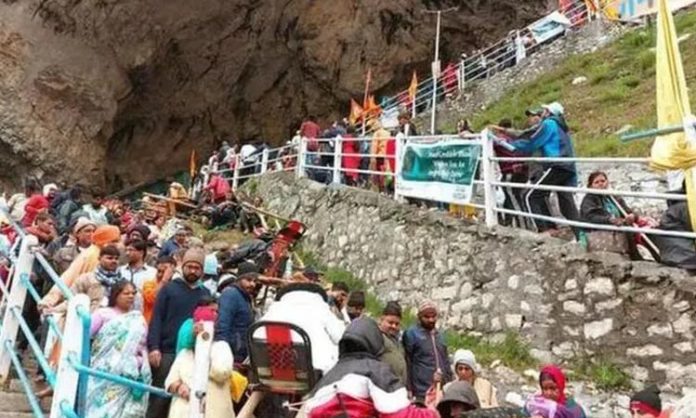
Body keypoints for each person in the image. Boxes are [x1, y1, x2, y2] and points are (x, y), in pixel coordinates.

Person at [304, 317, 438, 418]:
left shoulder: (325, 379)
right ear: (376, 342)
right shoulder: (376, 370)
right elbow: (400, 414)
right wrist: (431, 412)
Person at [146, 248, 211, 418]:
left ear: (202, 270)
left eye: (197, 268)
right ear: (183, 266)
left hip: (191, 354)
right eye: (189, 266)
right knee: (160, 397)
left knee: (185, 400)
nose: (192, 271)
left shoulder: (205, 294)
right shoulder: (169, 289)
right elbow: (157, 319)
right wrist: (154, 347)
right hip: (167, 352)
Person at [510, 102, 580, 237]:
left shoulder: (549, 124)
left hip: (557, 165)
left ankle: (544, 230)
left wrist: (512, 146)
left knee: (531, 195)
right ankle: (580, 235)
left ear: (549, 112)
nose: (542, 113)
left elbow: (533, 141)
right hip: (567, 166)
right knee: (566, 205)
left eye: (544, 110)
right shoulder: (562, 127)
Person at [86, 281, 150, 418]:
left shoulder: (138, 318)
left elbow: (143, 346)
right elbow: (85, 336)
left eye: (133, 293)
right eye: (126, 293)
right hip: (104, 373)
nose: (130, 296)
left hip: (131, 375)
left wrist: (140, 364)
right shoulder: (103, 314)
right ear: (116, 295)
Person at [259, 278, 346, 373]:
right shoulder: (322, 309)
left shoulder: (274, 310)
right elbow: (340, 336)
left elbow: (256, 336)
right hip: (313, 373)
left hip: (270, 372)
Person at [165, 305, 234, 418]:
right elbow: (170, 381)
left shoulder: (221, 347)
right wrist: (179, 387)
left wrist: (204, 354)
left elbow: (221, 373)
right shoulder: (185, 353)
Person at [403, 300, 453, 402]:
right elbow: (407, 362)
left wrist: (449, 382)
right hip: (422, 391)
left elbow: (445, 360)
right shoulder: (412, 334)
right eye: (426, 317)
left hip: (441, 390)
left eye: (433, 316)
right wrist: (409, 388)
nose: (431, 320)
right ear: (419, 317)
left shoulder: (440, 335)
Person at [580, 171, 639, 256]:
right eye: (596, 182)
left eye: (603, 181)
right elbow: (591, 216)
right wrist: (610, 220)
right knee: (627, 228)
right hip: (599, 229)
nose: (600, 184)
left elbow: (627, 211)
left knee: (646, 225)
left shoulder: (613, 197)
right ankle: (635, 256)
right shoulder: (589, 200)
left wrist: (632, 216)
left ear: (607, 182)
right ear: (590, 186)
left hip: (617, 225)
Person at [57, 245, 123, 314]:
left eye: (116, 259)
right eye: (109, 258)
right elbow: (71, 299)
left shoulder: (122, 281)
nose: (114, 261)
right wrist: (54, 311)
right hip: (89, 320)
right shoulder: (86, 279)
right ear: (99, 258)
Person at [214, 262, 257, 362]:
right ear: (239, 279)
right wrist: (222, 351)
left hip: (241, 351)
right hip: (231, 353)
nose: (252, 284)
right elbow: (223, 324)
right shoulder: (231, 295)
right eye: (248, 280)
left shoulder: (245, 296)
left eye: (255, 281)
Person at [121, 239, 157, 310]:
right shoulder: (120, 271)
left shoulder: (152, 273)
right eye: (126, 250)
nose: (127, 253)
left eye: (131, 250)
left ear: (141, 253)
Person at [378, 301, 407, 385]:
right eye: (390, 323)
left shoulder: (398, 340)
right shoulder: (376, 337)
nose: (394, 326)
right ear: (382, 319)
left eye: (397, 324)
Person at [141, 256, 176, 324]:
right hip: (150, 325)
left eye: (165, 271)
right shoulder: (149, 284)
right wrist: (164, 280)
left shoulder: (176, 286)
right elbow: (151, 298)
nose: (161, 274)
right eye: (159, 271)